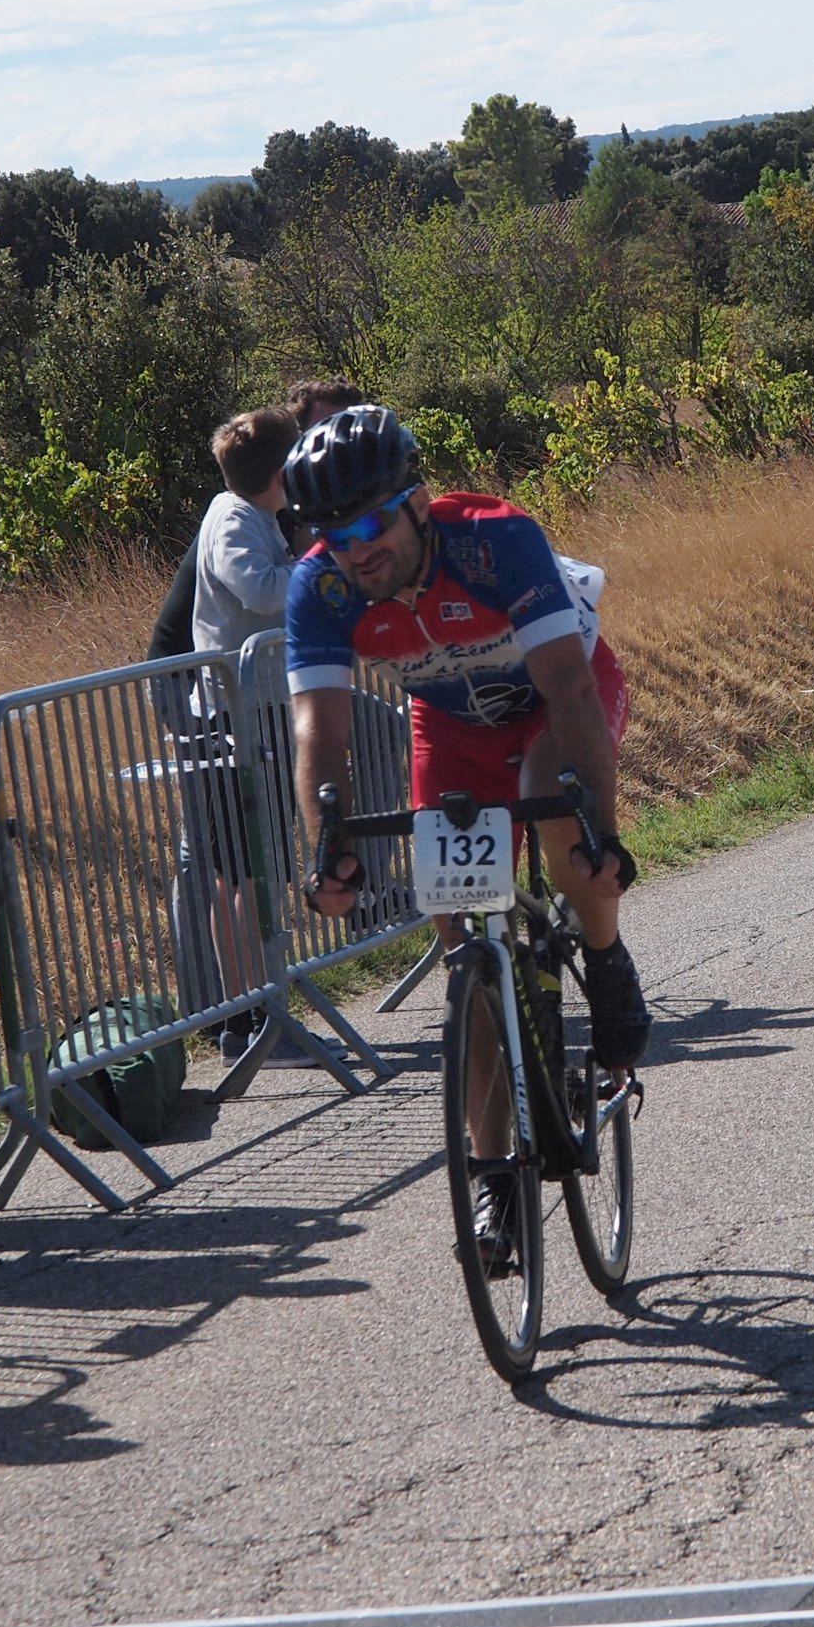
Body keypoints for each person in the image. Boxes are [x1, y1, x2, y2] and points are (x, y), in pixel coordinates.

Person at [280, 405, 648, 1268]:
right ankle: (493, 1178)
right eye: (334, 535)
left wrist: (602, 832)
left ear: (416, 504)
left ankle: (604, 954)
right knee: (463, 945)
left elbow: (568, 688)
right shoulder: (320, 587)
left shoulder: (495, 541)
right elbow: (318, 730)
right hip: (451, 729)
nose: (356, 549)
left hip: (556, 700)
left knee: (554, 816)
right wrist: (328, 847)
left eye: (371, 524)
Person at [166, 407, 318, 1066]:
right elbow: (257, 589)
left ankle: (262, 1008)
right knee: (239, 870)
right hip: (229, 719)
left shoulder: (257, 516)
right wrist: (318, 567)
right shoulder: (231, 517)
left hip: (260, 713)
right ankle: (248, 1020)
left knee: (257, 868)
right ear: (282, 470)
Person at [144, 379, 362, 668]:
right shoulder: (234, 518)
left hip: (266, 683)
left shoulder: (267, 510)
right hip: (205, 680)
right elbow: (263, 592)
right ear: (285, 472)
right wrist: (314, 558)